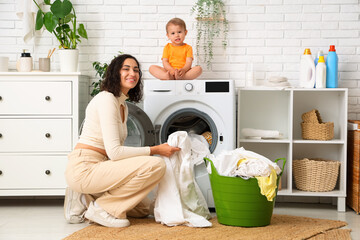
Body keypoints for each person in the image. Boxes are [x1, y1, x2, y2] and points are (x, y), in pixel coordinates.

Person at [64, 54, 181, 228]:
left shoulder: (122, 105)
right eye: (126, 69)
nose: (132, 73)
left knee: (143, 210)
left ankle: (86, 197)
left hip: (101, 166)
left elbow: (113, 155)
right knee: (156, 165)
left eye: (136, 70)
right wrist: (155, 149)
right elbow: (115, 152)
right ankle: (101, 208)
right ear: (114, 73)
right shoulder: (106, 99)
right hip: (85, 167)